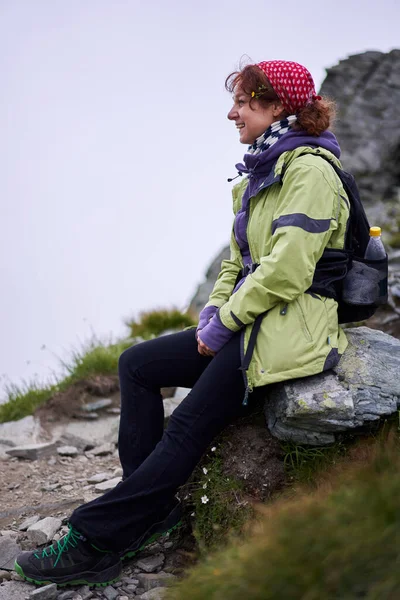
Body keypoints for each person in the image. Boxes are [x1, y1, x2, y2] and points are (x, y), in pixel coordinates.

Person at [15, 59, 350, 587]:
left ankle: (99, 540)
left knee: (189, 424)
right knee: (138, 364)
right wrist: (213, 313)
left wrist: (228, 323)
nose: (231, 113)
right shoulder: (263, 172)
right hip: (252, 323)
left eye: (243, 101)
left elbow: (288, 271)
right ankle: (149, 506)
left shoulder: (309, 171)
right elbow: (238, 263)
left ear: (278, 104)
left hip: (289, 328)